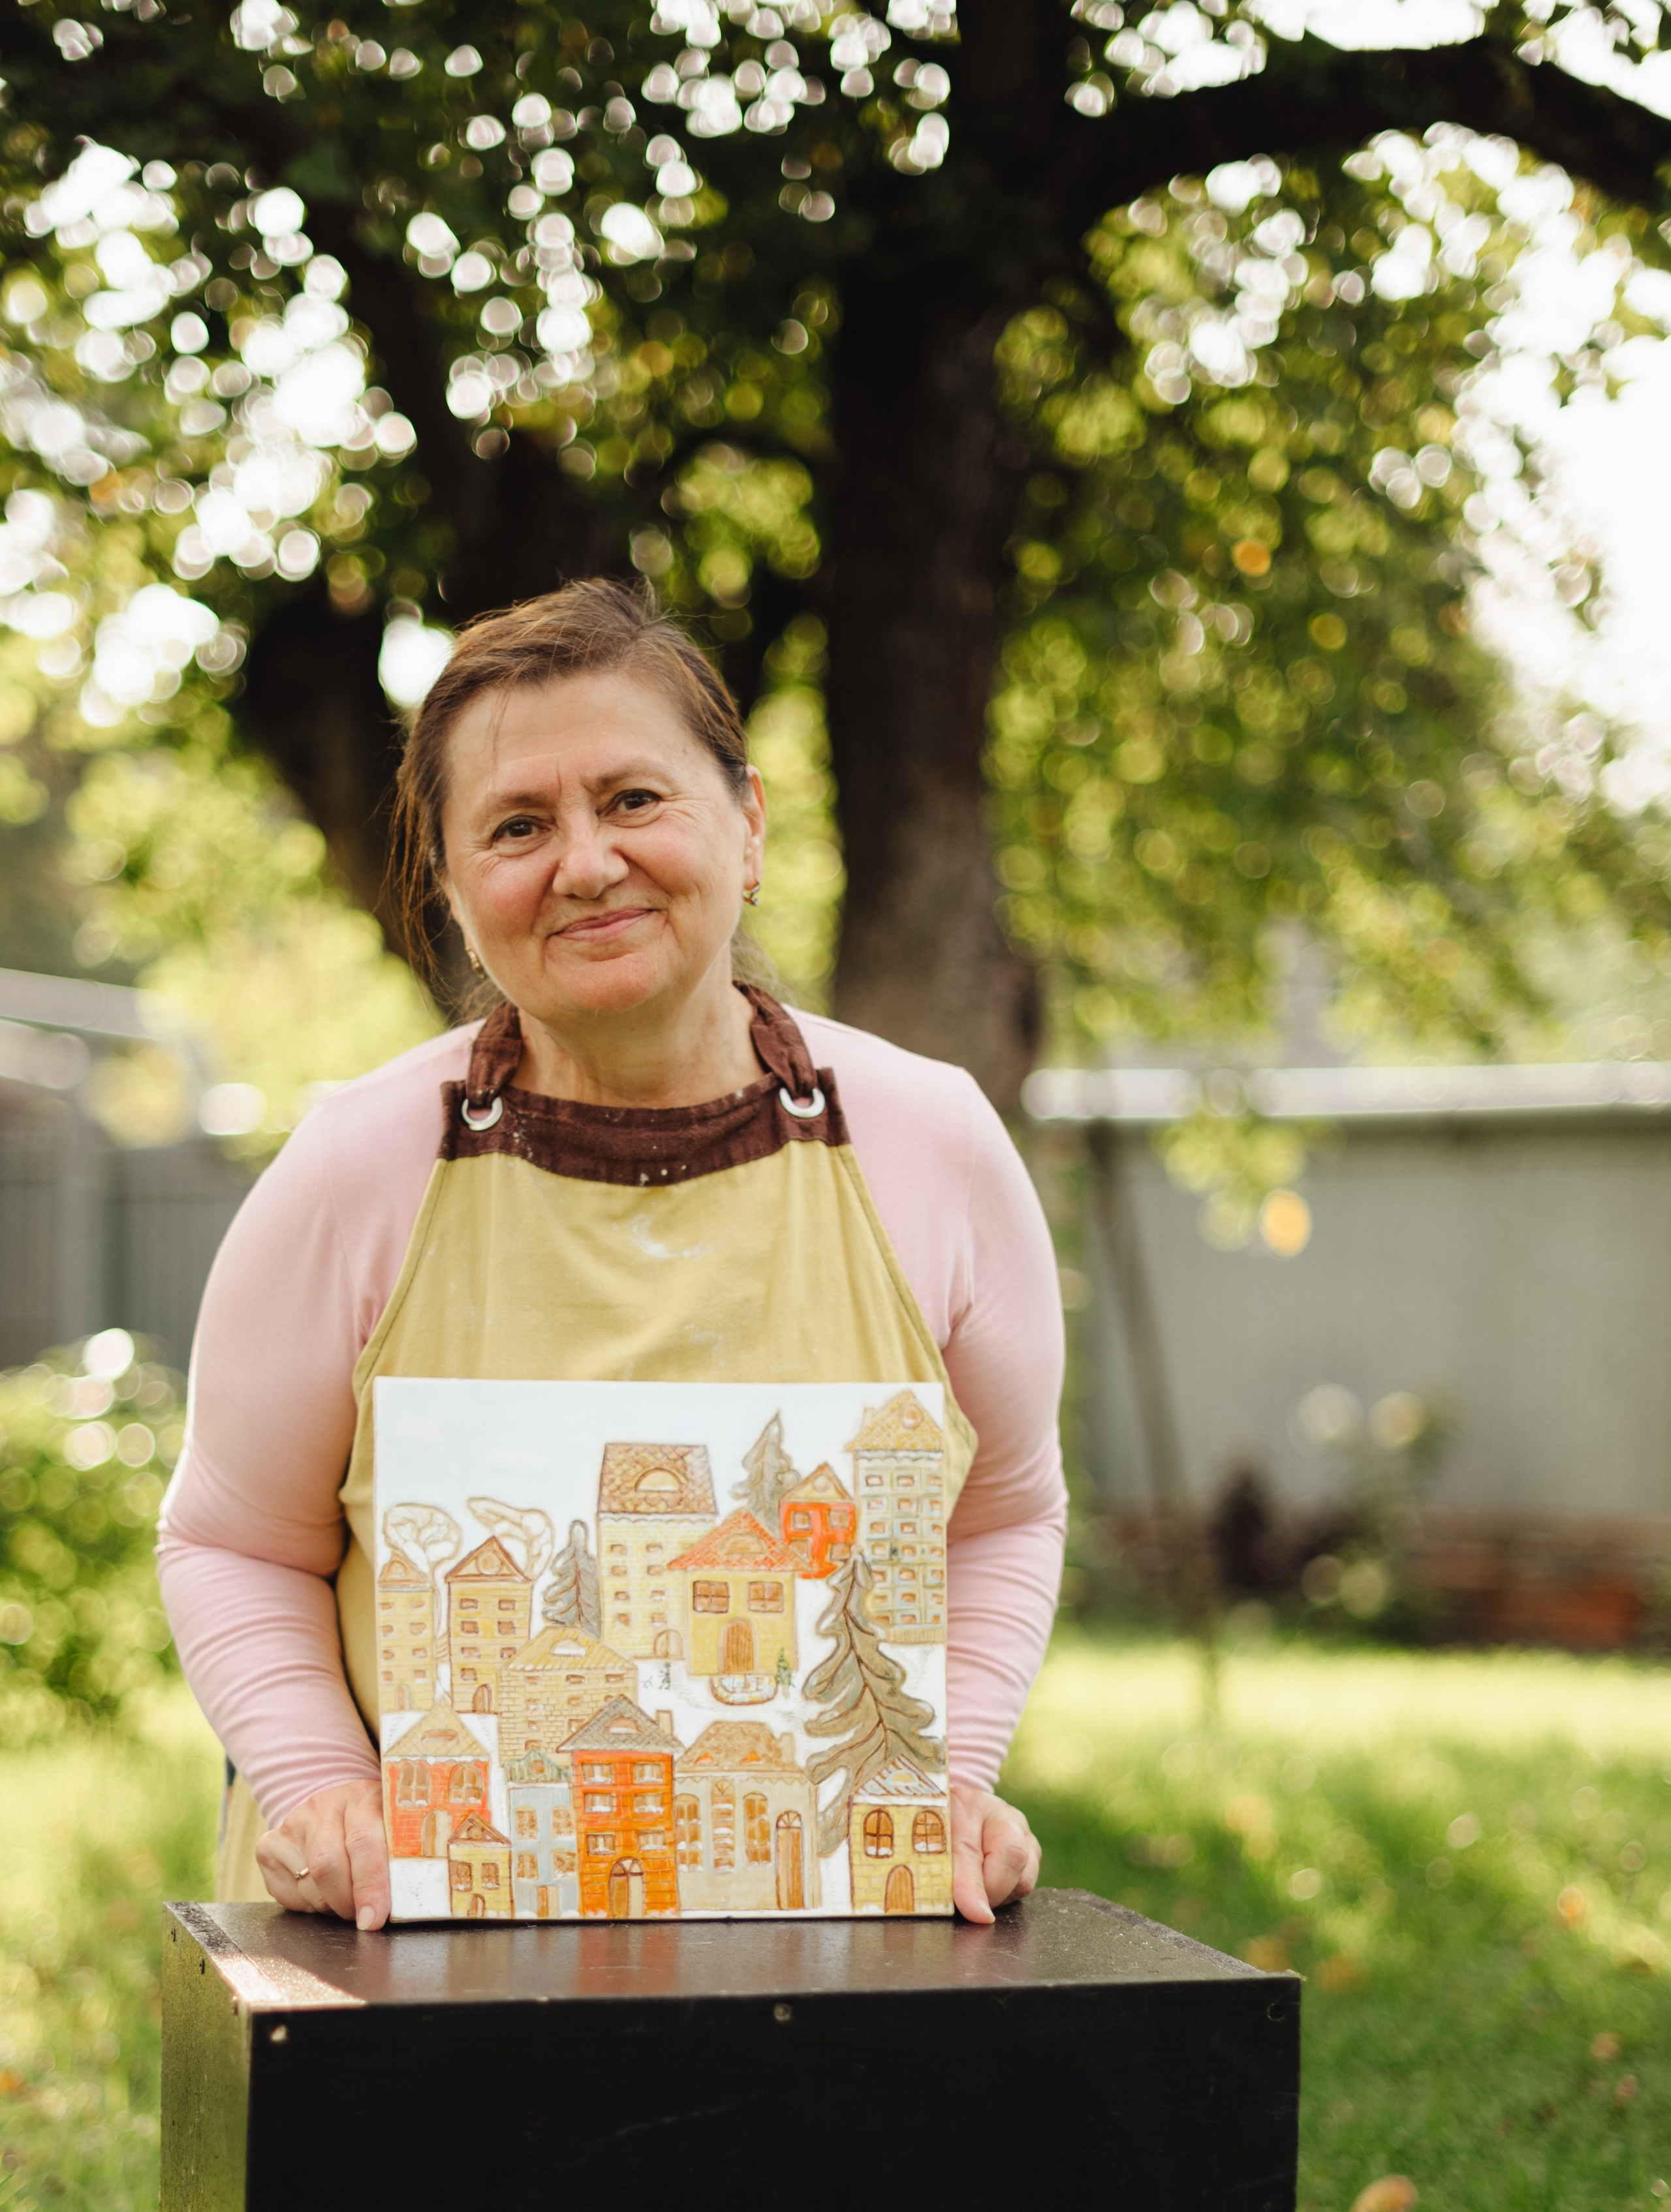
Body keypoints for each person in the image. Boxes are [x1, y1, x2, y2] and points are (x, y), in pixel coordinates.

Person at [157, 579, 1067, 1929]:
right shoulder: (354, 1169)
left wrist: (950, 1776)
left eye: (633, 799)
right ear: (456, 890)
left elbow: (1000, 1511)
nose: (584, 863)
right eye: (517, 825)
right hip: (401, 1958)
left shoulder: (931, 1142)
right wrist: (322, 1788)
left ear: (746, 823)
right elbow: (232, 1541)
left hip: (817, 1936)